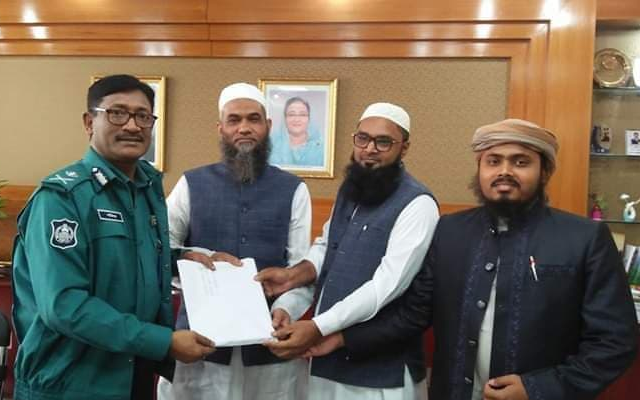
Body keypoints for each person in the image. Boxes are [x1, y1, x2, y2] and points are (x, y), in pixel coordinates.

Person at [308, 118, 639, 400]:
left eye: (520, 162)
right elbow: (413, 314)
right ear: (480, 168)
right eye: (493, 161)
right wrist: (343, 338)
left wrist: (537, 388)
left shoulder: (584, 238)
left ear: (544, 171)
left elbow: (615, 341)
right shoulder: (450, 231)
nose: (504, 171)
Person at [11, 74, 215, 400]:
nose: (132, 125)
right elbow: (63, 305)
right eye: (117, 113)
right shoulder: (62, 198)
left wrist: (185, 258)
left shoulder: (146, 188)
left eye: (143, 116)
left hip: (132, 374)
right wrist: (163, 341)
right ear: (89, 122)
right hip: (69, 383)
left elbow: (130, 256)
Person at [257, 102, 440, 399]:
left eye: (383, 142)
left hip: (382, 375)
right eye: (363, 138)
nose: (370, 149)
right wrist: (292, 276)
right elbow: (327, 246)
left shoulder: (418, 204)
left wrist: (317, 327)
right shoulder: (351, 189)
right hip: (328, 361)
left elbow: (386, 286)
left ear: (404, 148)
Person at [156, 82, 312, 400]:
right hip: (200, 340)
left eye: (253, 119)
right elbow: (160, 250)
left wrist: (285, 309)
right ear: (221, 128)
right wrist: (195, 274)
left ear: (268, 126)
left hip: (268, 344)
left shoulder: (294, 189)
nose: (244, 128)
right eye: (234, 120)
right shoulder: (190, 184)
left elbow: (301, 268)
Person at [269, 96, 324, 167]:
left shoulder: (321, 148)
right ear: (285, 118)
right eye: (291, 114)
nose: (297, 119)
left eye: (302, 115)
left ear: (309, 118)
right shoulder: (271, 144)